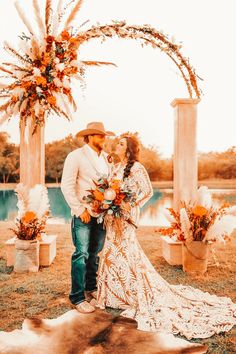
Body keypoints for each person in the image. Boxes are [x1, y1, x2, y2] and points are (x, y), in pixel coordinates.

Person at [96, 134, 236, 339]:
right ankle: (115, 295)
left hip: (126, 217)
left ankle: (134, 293)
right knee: (111, 253)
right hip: (112, 217)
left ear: (128, 149)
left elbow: (147, 191)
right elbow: (110, 189)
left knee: (127, 251)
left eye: (121, 143)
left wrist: (130, 204)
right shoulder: (115, 167)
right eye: (117, 142)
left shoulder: (136, 168)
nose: (117, 145)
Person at [61, 121, 114, 314]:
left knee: (95, 253)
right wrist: (78, 209)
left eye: (104, 135)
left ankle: (91, 288)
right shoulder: (75, 156)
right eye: (100, 135)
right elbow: (66, 186)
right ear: (90, 137)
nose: (104, 139)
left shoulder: (108, 159)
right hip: (83, 213)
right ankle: (77, 297)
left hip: (102, 214)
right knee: (81, 254)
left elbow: (111, 186)